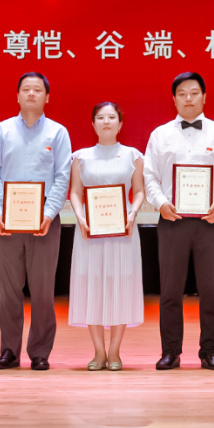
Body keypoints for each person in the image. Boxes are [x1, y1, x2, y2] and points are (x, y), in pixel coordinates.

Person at [143, 71, 214, 370]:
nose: (188, 98)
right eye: (182, 93)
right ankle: (170, 351)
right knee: (170, 290)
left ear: (204, 97)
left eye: (194, 93)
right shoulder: (160, 135)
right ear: (174, 99)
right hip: (172, 220)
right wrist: (161, 203)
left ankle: (209, 350)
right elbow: (150, 177)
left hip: (210, 221)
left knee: (210, 290)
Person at [0, 71, 72, 371]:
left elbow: (62, 176)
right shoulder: (1, 130)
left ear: (47, 97)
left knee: (43, 291)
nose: (31, 93)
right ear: (17, 95)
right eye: (26, 89)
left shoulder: (58, 133)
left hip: (44, 222)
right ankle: (9, 351)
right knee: (8, 292)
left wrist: (48, 214)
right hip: (5, 222)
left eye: (38, 89)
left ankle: (40, 352)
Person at [68, 102, 146, 371]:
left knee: (120, 284)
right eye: (100, 117)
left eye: (112, 117)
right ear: (93, 124)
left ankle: (115, 352)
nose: (106, 121)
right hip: (90, 230)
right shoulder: (81, 157)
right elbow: (75, 192)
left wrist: (132, 213)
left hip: (122, 229)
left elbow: (139, 191)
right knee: (91, 284)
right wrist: (80, 218)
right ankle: (98, 352)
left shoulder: (133, 155)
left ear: (120, 124)